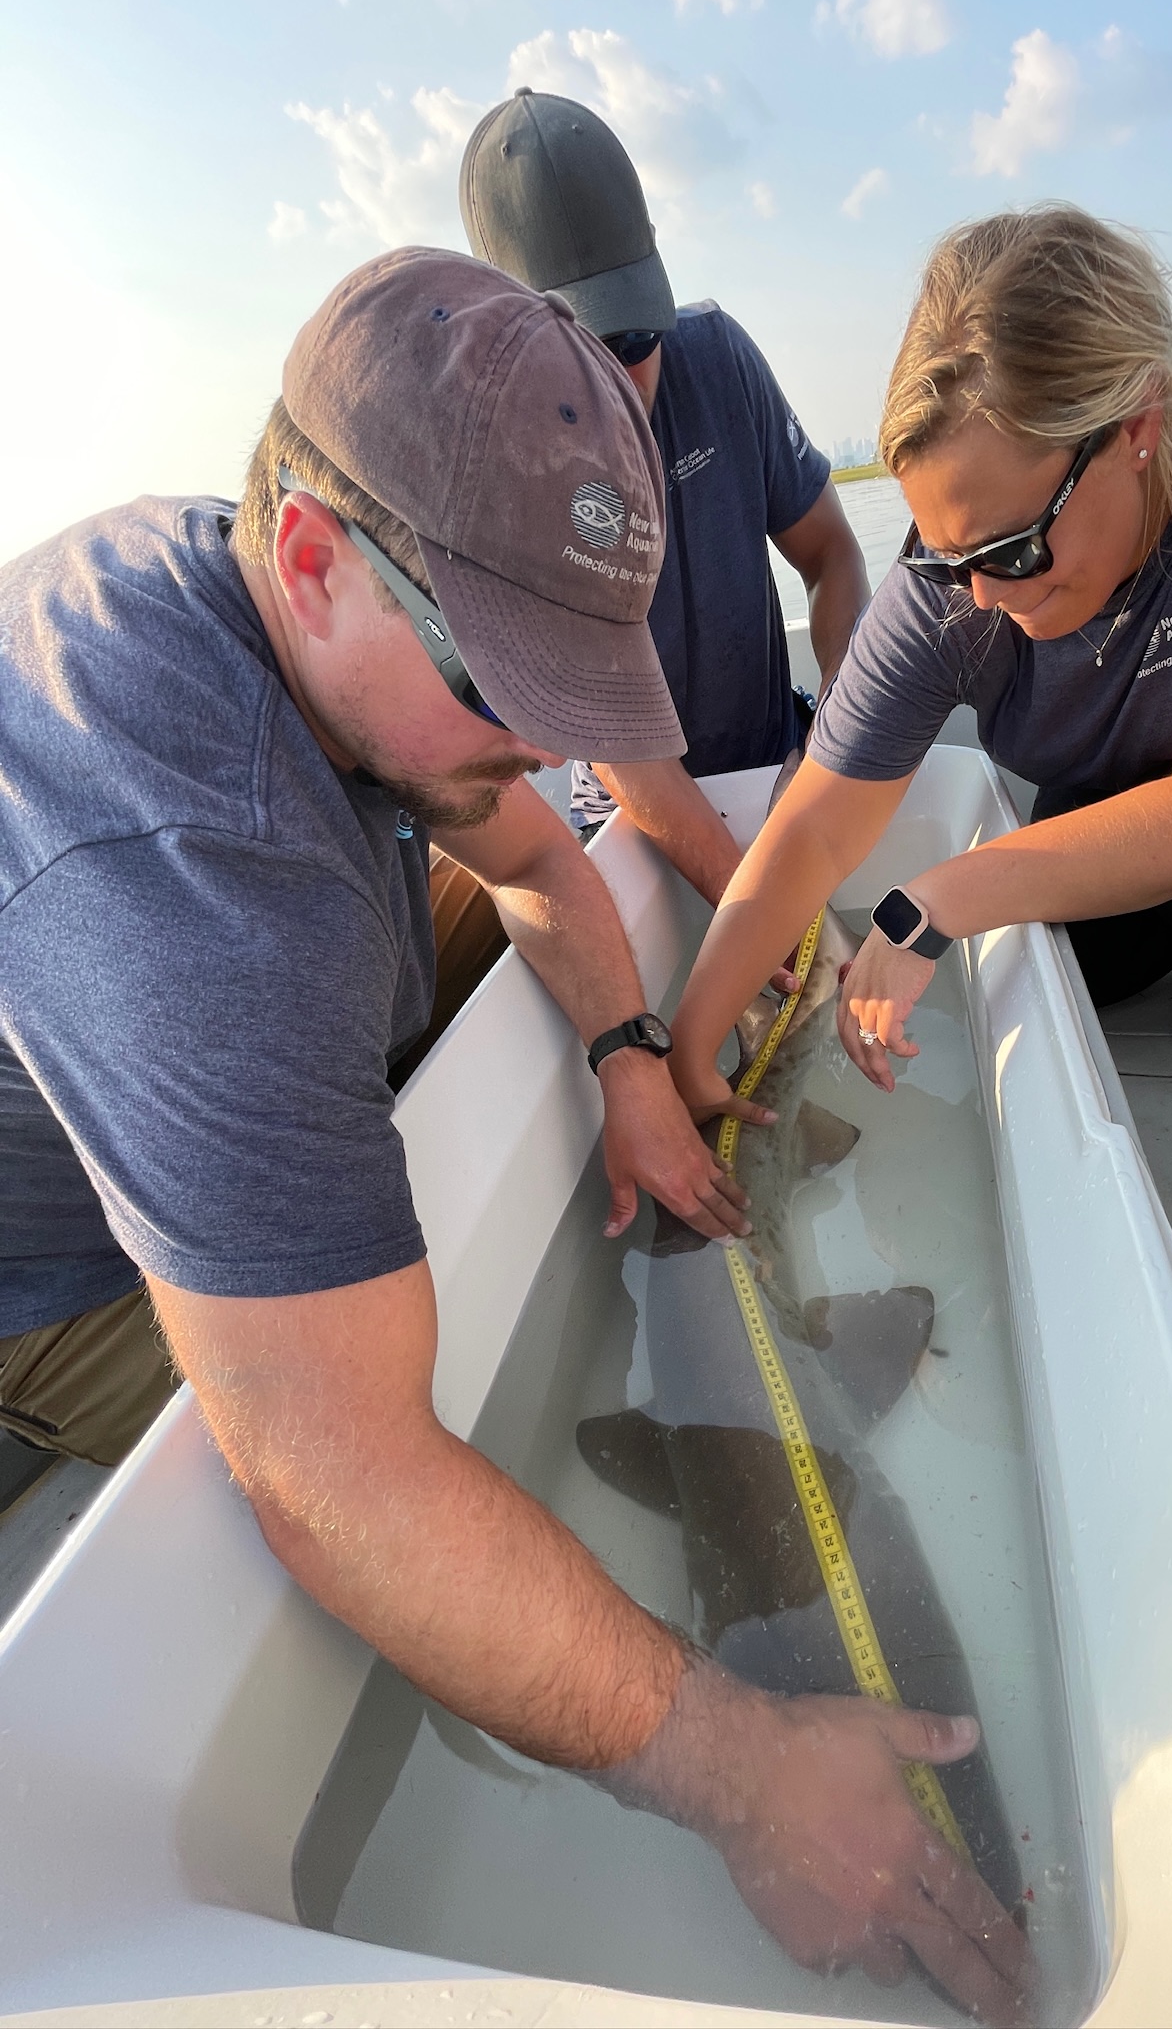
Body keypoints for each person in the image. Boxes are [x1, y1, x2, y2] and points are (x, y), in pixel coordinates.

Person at [0, 249, 1028, 2022]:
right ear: (316, 563)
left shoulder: (295, 586)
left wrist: (631, 1051)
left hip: (289, 952)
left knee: (499, 842)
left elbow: (542, 847)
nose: (556, 736)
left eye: (584, 675)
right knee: (327, 1457)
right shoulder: (194, 893)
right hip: (64, 1258)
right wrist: (741, 1765)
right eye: (512, 678)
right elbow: (346, 1488)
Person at [667, 205, 1172, 1113]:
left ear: (1137, 425)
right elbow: (813, 823)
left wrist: (930, 903)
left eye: (1010, 552)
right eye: (947, 558)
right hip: (1135, 732)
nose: (981, 599)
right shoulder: (962, 574)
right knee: (1079, 965)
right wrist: (692, 1044)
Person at [460, 88, 871, 901]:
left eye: (636, 338)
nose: (618, 384)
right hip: (622, 819)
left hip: (779, 768)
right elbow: (613, 741)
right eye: (580, 351)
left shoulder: (718, 357)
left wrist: (834, 733)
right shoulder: (494, 472)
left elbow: (832, 555)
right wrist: (760, 910)